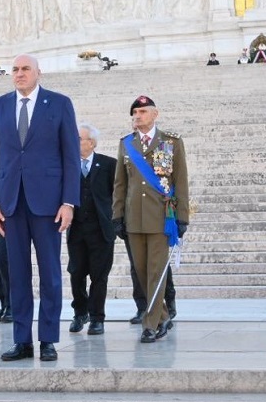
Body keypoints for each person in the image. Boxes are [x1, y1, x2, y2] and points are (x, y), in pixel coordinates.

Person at [0, 54, 79, 362]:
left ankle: (48, 338)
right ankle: (21, 340)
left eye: (26, 69)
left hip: (48, 203)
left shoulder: (59, 103)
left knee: (50, 272)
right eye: (15, 69)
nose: (20, 74)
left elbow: (70, 156)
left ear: (38, 72)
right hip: (11, 203)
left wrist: (68, 202)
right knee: (17, 273)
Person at [113, 95, 190, 343]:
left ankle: (151, 324)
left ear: (155, 114)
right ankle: (163, 315)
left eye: (143, 111)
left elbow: (181, 181)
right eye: (134, 112)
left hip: (161, 218)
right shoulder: (126, 144)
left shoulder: (172, 142)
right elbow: (120, 184)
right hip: (134, 218)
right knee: (142, 272)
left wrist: (182, 217)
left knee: (156, 271)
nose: (138, 116)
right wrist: (117, 215)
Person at [67, 123, 117, 335]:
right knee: (76, 273)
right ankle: (80, 312)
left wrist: (116, 222)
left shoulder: (109, 164)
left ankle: (97, 318)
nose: (75, 142)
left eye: (79, 138)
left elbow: (118, 195)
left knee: (99, 276)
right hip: (77, 229)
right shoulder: (67, 165)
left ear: (92, 143)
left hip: (101, 230)